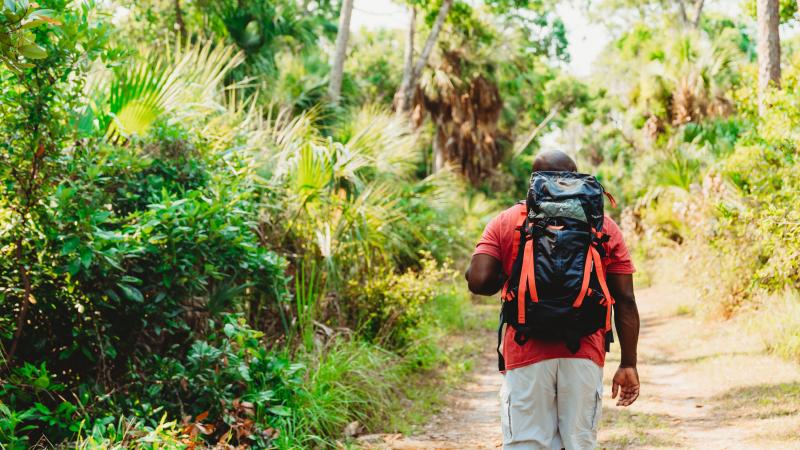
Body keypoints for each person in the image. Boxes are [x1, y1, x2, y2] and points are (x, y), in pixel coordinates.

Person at [465, 150, 640, 450]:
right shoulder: (603, 226)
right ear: (576, 176)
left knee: (526, 443)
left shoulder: (508, 221)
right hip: (584, 351)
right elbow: (624, 298)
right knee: (578, 443)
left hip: (525, 349)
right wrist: (628, 363)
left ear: (533, 181)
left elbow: (479, 281)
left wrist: (508, 269)